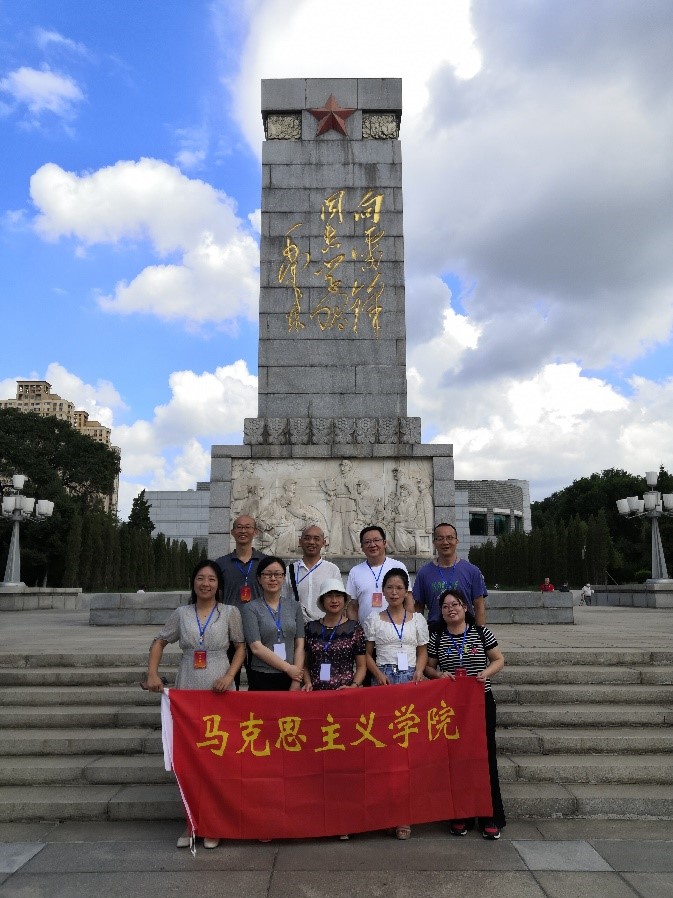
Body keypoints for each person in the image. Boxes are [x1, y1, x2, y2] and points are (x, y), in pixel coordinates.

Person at [144, 559, 246, 850]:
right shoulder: (181, 613)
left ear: (219, 585)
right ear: (193, 582)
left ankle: (214, 822)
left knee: (219, 757)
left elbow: (240, 646)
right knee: (190, 759)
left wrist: (229, 675)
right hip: (188, 686)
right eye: (201, 578)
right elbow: (160, 641)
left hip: (220, 689)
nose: (205, 584)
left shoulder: (230, 612)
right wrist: (152, 673)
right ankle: (191, 821)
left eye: (211, 579)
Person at [424, 588, 506, 840]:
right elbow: (428, 667)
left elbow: (499, 659)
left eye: (456, 604)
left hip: (480, 703)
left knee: (484, 757)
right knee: (457, 759)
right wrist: (439, 675)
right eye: (446, 606)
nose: (451, 609)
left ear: (466, 608)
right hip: (452, 707)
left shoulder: (481, 633)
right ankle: (461, 814)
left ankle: (489, 815)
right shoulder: (437, 637)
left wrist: (486, 673)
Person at [364, 567, 428, 841]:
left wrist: (418, 671)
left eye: (399, 588)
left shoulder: (418, 620)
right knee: (383, 751)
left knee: (408, 752)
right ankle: (383, 812)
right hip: (384, 683)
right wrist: (378, 675)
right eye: (389, 587)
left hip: (410, 685)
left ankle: (405, 815)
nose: (393, 592)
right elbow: (366, 654)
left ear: (406, 592)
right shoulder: (373, 619)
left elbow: (422, 651)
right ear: (384, 591)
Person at [215, 514, 268, 689]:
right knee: (230, 680)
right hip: (229, 630)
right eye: (239, 527)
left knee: (258, 680)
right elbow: (218, 596)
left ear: (255, 532)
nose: (243, 530)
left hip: (259, 630)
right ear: (232, 532)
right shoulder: (221, 564)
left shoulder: (265, 562)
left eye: (247, 527)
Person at [242, 556, 305, 691]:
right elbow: (256, 647)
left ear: (283, 577)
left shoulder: (294, 606)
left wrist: (296, 679)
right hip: (262, 675)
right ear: (259, 578)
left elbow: (299, 644)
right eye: (267, 574)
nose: (273, 578)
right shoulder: (251, 608)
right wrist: (288, 668)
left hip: (291, 675)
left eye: (277, 574)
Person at [413, 523, 488, 626]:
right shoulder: (424, 573)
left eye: (450, 538)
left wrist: (481, 633)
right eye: (440, 538)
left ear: (457, 541)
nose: (445, 542)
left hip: (466, 631)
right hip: (436, 632)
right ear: (434, 542)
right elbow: (418, 607)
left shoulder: (472, 571)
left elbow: (479, 605)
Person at [302, 578, 366, 691]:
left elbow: (361, 666)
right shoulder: (310, 628)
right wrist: (307, 682)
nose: (334, 600)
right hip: (314, 692)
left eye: (338, 596)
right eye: (329, 596)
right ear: (322, 600)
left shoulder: (355, 628)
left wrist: (354, 686)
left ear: (344, 599)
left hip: (344, 692)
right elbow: (304, 664)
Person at [346, 525, 413, 626]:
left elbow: (408, 600)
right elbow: (352, 607)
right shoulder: (355, 571)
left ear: (384, 543)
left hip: (396, 630)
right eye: (367, 542)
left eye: (376, 540)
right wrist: (355, 631)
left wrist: (409, 626)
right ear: (362, 547)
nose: (372, 545)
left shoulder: (398, 566)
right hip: (365, 632)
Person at [285, 524, 342, 623]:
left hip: (325, 629)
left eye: (316, 539)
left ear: (323, 543)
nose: (311, 542)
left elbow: (339, 602)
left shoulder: (332, 570)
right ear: (300, 542)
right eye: (307, 538)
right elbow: (283, 601)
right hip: (297, 628)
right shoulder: (290, 570)